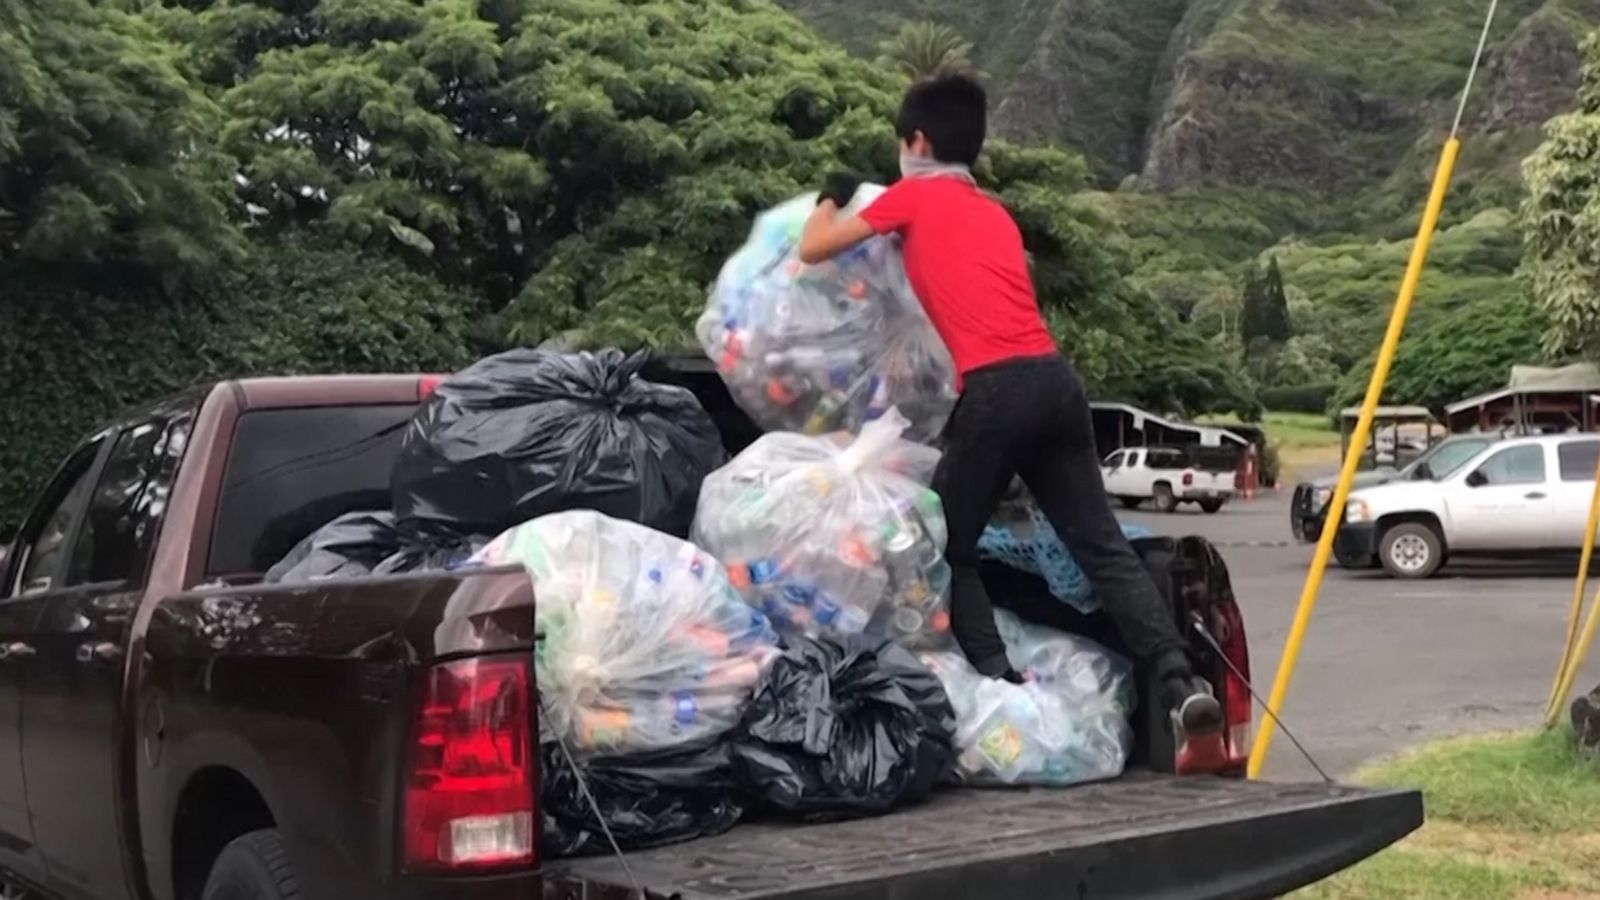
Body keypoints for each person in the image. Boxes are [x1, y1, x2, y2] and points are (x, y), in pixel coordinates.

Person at [797, 71, 1226, 770]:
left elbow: (814, 247)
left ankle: (1000, 688)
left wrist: (831, 192)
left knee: (947, 546)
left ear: (917, 141)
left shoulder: (913, 194)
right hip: (1057, 385)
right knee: (1102, 546)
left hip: (995, 392)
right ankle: (1179, 683)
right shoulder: (995, 214)